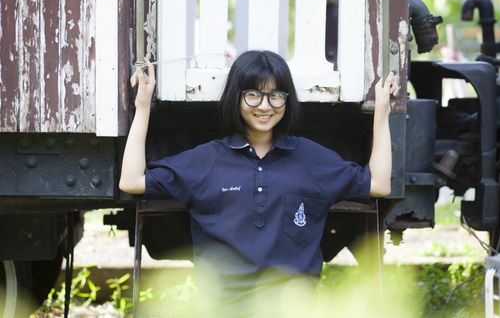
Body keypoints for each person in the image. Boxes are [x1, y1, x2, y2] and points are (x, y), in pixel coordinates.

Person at [119, 50, 398, 315]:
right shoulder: (208, 160)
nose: (265, 106)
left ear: (287, 100)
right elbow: (132, 181)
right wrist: (142, 107)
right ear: (235, 98)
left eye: (276, 95)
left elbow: (379, 184)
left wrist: (381, 114)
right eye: (253, 95)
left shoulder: (309, 158)